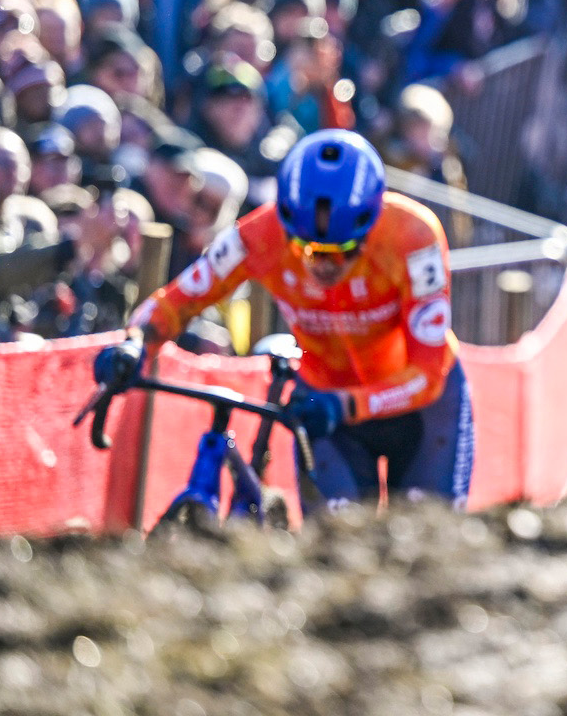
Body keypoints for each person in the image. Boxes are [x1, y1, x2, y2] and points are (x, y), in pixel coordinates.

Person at [96, 130, 471, 509]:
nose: (322, 264)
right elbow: (176, 303)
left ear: (370, 225)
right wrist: (134, 343)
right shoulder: (259, 234)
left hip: (421, 407)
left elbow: (428, 374)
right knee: (334, 548)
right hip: (326, 405)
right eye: (305, 248)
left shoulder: (413, 236)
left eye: (341, 250)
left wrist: (345, 405)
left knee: (425, 537)